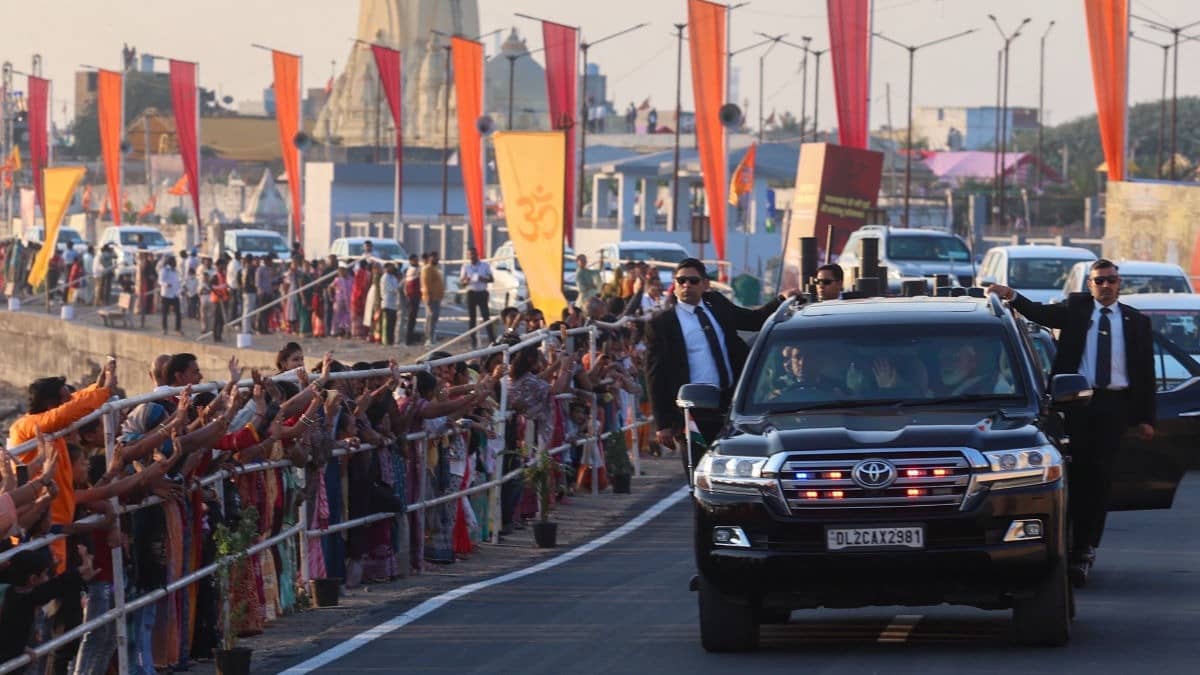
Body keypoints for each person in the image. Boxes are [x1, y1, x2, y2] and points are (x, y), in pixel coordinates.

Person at [987, 258, 1155, 587]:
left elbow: (1146, 373)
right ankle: (1067, 540)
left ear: (1119, 284)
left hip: (1114, 407)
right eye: (1099, 281)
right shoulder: (1077, 310)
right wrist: (1011, 295)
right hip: (1075, 402)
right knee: (1074, 474)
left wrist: (1145, 418)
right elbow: (1040, 314)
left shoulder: (1136, 321)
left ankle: (1085, 548)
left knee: (1099, 477)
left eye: (1111, 280)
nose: (1106, 286)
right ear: (1089, 285)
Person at [645, 258, 789, 472]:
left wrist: (781, 300)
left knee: (735, 466)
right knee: (699, 471)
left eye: (693, 280)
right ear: (674, 285)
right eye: (681, 280)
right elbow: (655, 375)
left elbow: (753, 320)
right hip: (692, 411)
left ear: (705, 284)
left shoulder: (717, 304)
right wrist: (663, 423)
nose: (686, 285)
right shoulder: (662, 324)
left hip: (729, 403)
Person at [460, 248, 495, 347]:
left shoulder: (485, 265)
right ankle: (473, 341)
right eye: (470, 255)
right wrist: (466, 280)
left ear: (477, 254)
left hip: (482, 292)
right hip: (471, 292)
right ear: (468, 256)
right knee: (472, 318)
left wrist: (482, 278)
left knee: (486, 316)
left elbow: (492, 279)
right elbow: (462, 283)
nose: (472, 256)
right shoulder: (466, 266)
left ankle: (492, 340)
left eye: (473, 254)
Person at [421, 251, 445, 347]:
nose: (437, 259)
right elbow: (426, 284)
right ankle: (429, 339)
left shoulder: (434, 269)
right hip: (431, 297)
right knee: (431, 318)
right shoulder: (427, 269)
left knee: (433, 318)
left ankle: (431, 338)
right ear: (430, 258)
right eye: (435, 257)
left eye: (437, 257)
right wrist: (428, 297)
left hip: (437, 297)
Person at [159, 256, 183, 336]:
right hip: (166, 294)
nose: (174, 263)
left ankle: (177, 329)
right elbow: (160, 281)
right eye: (173, 262)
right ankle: (164, 328)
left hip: (175, 294)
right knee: (165, 313)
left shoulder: (176, 271)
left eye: (175, 262)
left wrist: (180, 290)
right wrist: (166, 284)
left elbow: (178, 282)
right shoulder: (164, 270)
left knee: (178, 313)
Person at [380, 262, 401, 346]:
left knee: (392, 322)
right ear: (386, 268)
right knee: (388, 323)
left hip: (393, 303)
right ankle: (388, 340)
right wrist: (398, 289)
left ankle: (391, 339)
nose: (392, 269)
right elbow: (392, 289)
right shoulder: (385, 277)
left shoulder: (393, 277)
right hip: (387, 302)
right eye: (390, 267)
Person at [403, 254, 422, 345]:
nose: (417, 262)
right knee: (411, 318)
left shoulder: (414, 269)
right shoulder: (413, 270)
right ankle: (408, 339)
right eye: (415, 260)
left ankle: (410, 338)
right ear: (411, 261)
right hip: (412, 296)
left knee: (413, 318)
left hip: (415, 296)